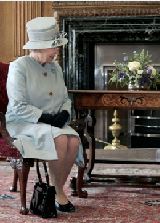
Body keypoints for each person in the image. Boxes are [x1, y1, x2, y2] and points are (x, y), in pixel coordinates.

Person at [6, 17, 84, 213]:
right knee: (59, 139)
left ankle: (57, 189)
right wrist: (46, 118)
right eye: (53, 47)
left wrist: (65, 112)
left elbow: (65, 97)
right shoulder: (19, 67)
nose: (57, 51)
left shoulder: (55, 67)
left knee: (73, 141)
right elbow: (17, 105)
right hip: (24, 121)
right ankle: (59, 193)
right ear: (39, 47)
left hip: (52, 123)